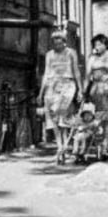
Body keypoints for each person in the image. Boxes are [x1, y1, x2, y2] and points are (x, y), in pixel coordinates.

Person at [39, 30, 83, 158]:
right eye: (55, 43)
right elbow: (46, 73)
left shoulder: (71, 53)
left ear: (64, 43)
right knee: (53, 117)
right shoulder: (49, 55)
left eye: (59, 43)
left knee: (62, 114)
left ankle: (65, 144)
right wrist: (41, 93)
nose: (57, 46)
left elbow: (76, 71)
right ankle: (60, 145)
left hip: (67, 85)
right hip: (52, 85)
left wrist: (80, 89)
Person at [84, 33, 108, 160]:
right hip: (96, 90)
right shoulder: (92, 58)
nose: (97, 47)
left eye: (100, 44)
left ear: (105, 44)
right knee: (99, 118)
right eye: (95, 45)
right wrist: (83, 91)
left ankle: (106, 145)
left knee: (106, 119)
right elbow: (87, 76)